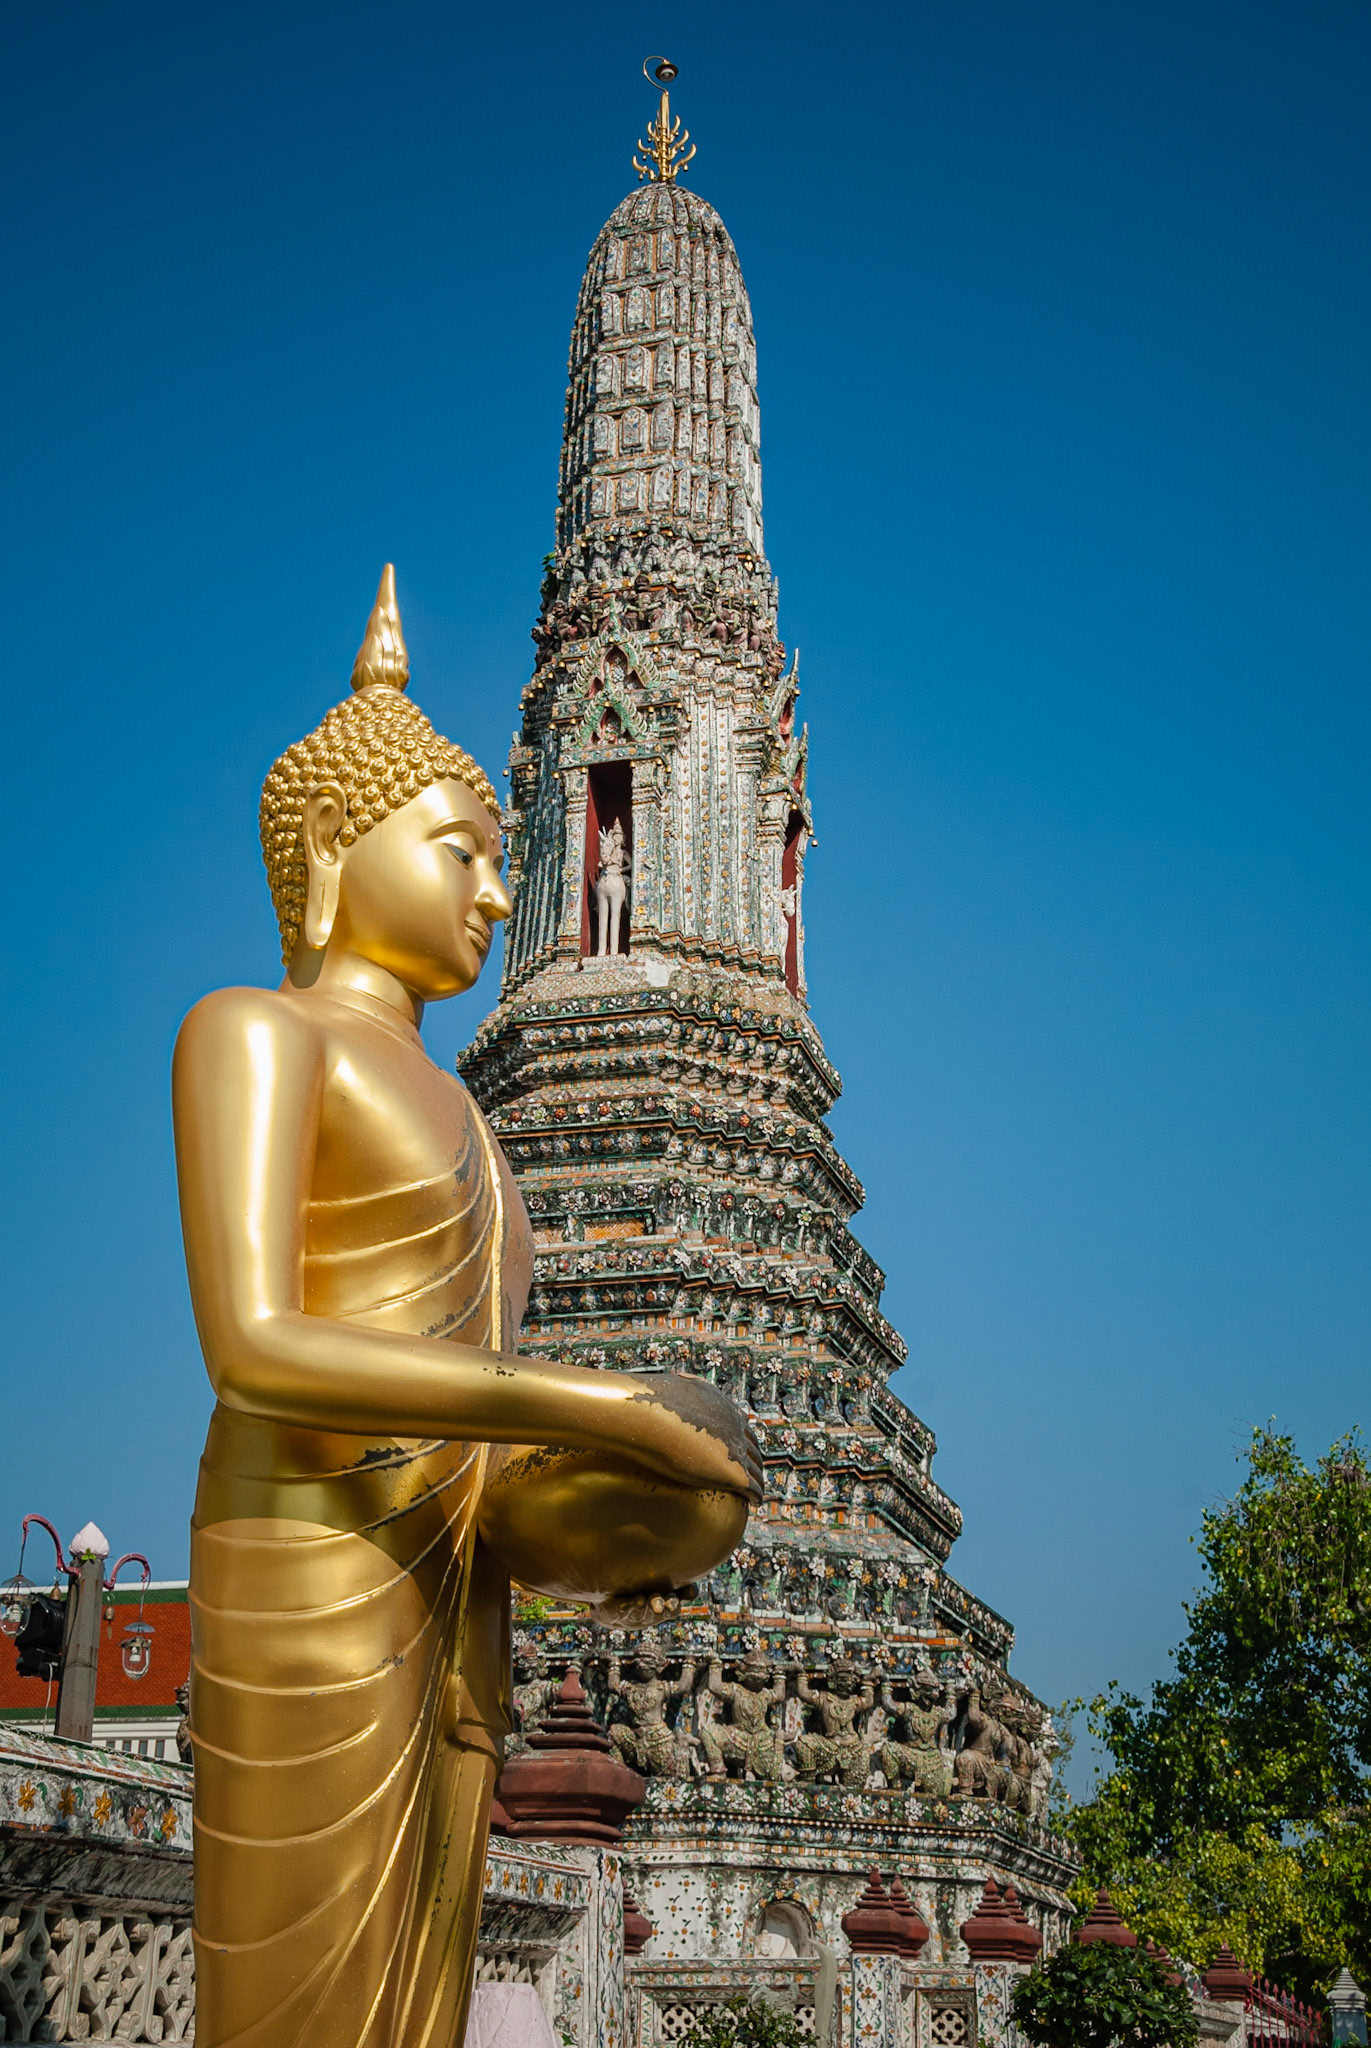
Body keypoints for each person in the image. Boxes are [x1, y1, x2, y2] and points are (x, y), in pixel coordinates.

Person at [175, 567, 760, 2048]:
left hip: (457, 1619)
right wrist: (588, 1403)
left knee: (415, 2017)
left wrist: (634, 1512)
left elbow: (480, 1453)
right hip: (306, 1575)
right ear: (333, 845)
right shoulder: (255, 1032)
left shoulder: (477, 1127)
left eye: (508, 859)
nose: (500, 893)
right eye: (463, 851)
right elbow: (255, 1350)